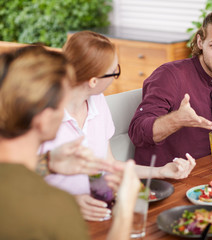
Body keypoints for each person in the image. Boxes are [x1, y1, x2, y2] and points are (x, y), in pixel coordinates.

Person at [38, 30, 196, 221]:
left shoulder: (97, 102)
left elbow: (110, 165)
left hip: (102, 213)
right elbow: (19, 179)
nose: (115, 77)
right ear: (94, 81)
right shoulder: (40, 115)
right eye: (115, 71)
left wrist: (161, 171)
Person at [0, 45, 139, 239]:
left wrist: (47, 163)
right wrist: (124, 210)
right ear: (45, 119)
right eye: (62, 103)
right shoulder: (58, 209)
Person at [129, 9, 212, 167]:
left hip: (210, 178)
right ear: (200, 42)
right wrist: (176, 120)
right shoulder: (169, 75)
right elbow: (138, 133)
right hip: (164, 181)